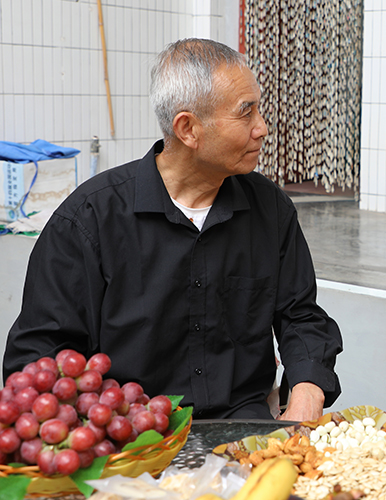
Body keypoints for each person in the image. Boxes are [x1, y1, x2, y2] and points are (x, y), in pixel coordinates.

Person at [3, 38, 343, 422]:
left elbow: (301, 316)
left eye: (259, 110)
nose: (262, 128)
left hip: (244, 429)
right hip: (130, 437)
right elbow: (40, 356)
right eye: (245, 114)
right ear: (188, 129)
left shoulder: (270, 209)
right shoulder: (89, 220)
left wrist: (306, 396)